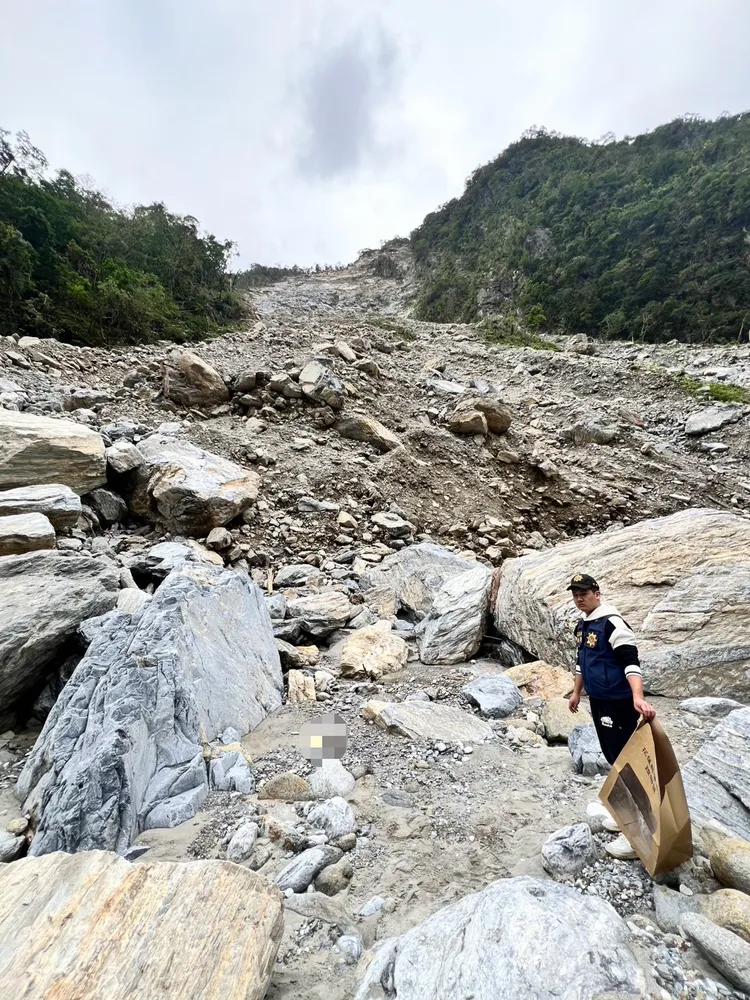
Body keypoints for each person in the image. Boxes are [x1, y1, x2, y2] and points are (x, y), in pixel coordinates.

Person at [566, 572, 655, 860]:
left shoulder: (613, 623)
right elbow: (583, 662)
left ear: (597, 593)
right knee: (615, 760)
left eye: (584, 592)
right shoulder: (585, 625)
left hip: (619, 703)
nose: (579, 597)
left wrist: (638, 697)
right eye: (575, 593)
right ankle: (624, 816)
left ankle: (639, 836)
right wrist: (576, 692)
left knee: (628, 765)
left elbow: (631, 662)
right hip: (599, 701)